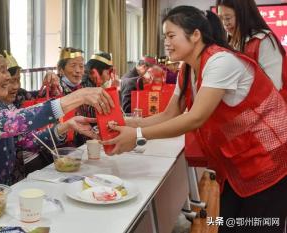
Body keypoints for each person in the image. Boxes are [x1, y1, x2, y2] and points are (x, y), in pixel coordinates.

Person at [102, 6, 287, 233]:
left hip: (269, 160)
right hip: (237, 165)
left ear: (196, 35)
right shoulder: (187, 68)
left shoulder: (221, 61)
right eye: (164, 37)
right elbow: (170, 114)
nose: (166, 43)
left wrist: (138, 136)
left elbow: (196, 117)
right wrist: (126, 123)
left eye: (171, 36)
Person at [0, 42, 114, 217]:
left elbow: (24, 140)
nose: (8, 77)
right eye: (2, 70)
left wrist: (65, 126)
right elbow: (15, 121)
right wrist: (78, 97)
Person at [2, 51, 97, 176]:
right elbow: (25, 139)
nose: (15, 86)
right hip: (28, 160)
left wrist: (52, 84)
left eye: (81, 66)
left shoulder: (20, 95)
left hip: (47, 151)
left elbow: (44, 96)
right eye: (73, 65)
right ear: (61, 69)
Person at [216, 0, 287, 100]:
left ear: (245, 14)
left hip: (267, 110)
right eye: (221, 18)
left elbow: (273, 86)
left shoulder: (263, 40)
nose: (224, 23)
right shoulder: (230, 42)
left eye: (228, 18)